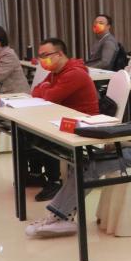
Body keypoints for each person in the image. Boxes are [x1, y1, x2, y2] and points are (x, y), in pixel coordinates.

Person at [26, 46, 131, 238]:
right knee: (85, 163)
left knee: (90, 166)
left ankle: (59, 216)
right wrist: (116, 137)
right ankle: (61, 215)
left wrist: (120, 141)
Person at [31, 38, 100, 200]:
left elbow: (50, 96)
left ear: (60, 54)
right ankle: (34, 174)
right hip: (64, 117)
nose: (42, 59)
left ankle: (54, 182)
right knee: (27, 132)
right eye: (40, 56)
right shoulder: (55, 72)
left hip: (82, 121)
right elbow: (35, 91)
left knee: (44, 135)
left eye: (45, 55)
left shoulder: (74, 73)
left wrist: (46, 89)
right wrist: (46, 89)